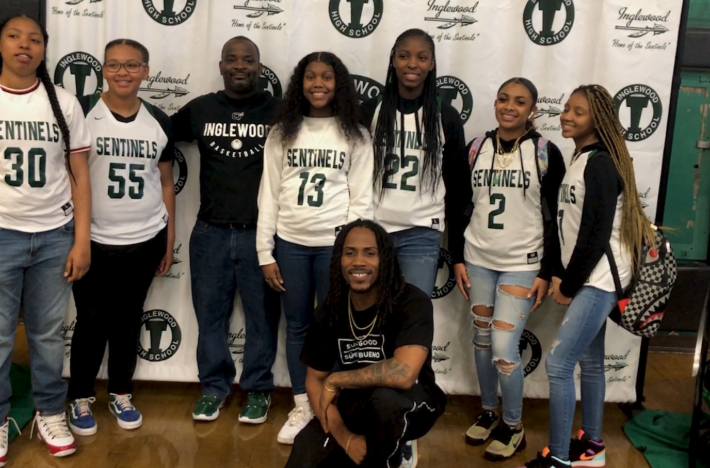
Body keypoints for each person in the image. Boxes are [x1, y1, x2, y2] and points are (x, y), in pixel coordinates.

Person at [517, 85, 655, 468]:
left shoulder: (601, 163)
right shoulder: (583, 156)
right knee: (591, 364)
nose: (567, 116)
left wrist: (569, 282)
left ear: (598, 119)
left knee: (560, 365)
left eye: (578, 111)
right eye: (566, 109)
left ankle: (559, 457)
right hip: (590, 278)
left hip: (598, 280)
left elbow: (595, 234)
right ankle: (592, 446)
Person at [257, 52, 373, 444]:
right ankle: (303, 403)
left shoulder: (355, 134)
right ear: (300, 84)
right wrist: (265, 252)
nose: (318, 83)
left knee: (338, 328)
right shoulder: (282, 132)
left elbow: (362, 200)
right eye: (310, 76)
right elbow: (268, 196)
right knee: (298, 327)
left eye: (326, 76)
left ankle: (333, 405)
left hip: (333, 248)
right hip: (290, 244)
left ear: (338, 83)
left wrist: (352, 251)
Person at [66, 39, 176, 436]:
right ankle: (79, 396)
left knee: (129, 321)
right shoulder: (81, 114)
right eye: (114, 65)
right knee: (92, 321)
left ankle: (121, 392)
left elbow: (166, 182)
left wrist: (168, 236)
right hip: (93, 238)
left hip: (145, 237)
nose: (123, 72)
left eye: (132, 65)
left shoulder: (160, 120)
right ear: (102, 70)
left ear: (146, 71)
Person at [452, 78, 565, 461]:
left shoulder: (546, 152)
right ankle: (488, 410)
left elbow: (558, 220)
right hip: (479, 259)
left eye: (519, 101)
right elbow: (459, 207)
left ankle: (514, 425)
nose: (509, 106)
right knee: (482, 342)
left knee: (503, 347)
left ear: (532, 110)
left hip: (523, 263)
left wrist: (547, 271)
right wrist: (456, 258)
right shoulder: (476, 148)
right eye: (503, 98)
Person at [170, 36, 280, 423]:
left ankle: (258, 390)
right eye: (232, 59)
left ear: (259, 67)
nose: (239, 66)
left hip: (261, 236)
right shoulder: (200, 108)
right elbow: (158, 139)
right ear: (220, 66)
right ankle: (213, 388)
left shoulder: (279, 111)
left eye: (247, 60)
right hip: (210, 233)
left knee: (262, 319)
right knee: (210, 318)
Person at [0, 15, 91, 459]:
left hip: (54, 235)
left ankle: (50, 411)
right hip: (3, 234)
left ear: (44, 48)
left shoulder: (64, 102)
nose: (24, 45)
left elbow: (78, 174)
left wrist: (81, 239)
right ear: (0, 44)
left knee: (49, 334)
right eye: (14, 36)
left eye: (34, 38)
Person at [285, 219, 446, 468]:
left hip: (415, 401)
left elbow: (403, 373)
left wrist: (336, 380)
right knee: (304, 458)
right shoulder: (330, 309)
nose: (359, 261)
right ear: (339, 260)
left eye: (370, 253)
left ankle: (395, 449)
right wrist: (345, 438)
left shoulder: (412, 301)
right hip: (359, 402)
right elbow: (314, 380)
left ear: (385, 260)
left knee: (385, 403)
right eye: (350, 253)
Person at [359, 28, 468, 297]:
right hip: (373, 229)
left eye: (422, 57)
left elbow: (458, 188)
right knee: (370, 316)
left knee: (414, 317)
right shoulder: (371, 110)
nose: (412, 64)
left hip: (421, 233)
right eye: (404, 56)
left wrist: (457, 253)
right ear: (393, 60)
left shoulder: (446, 116)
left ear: (432, 64)